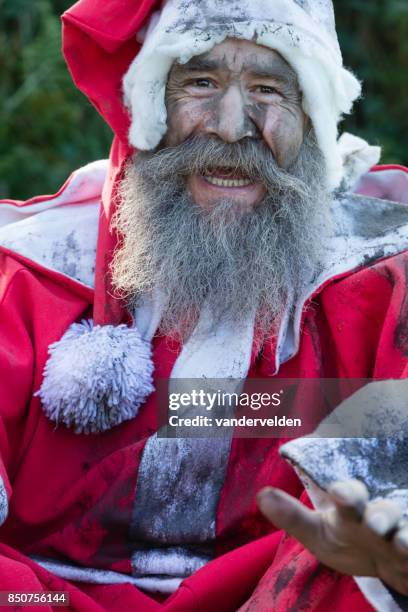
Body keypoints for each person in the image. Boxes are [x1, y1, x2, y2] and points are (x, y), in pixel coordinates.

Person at [0, 0, 407, 610]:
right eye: (200, 82)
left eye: (269, 88)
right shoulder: (31, 272)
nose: (230, 124)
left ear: (314, 119)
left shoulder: (382, 279)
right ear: (147, 108)